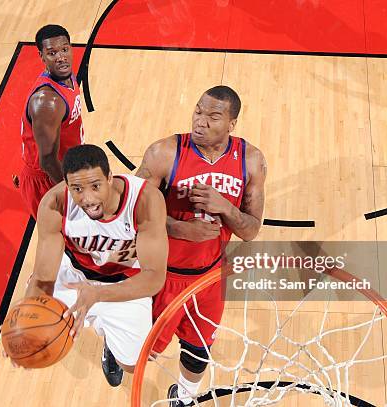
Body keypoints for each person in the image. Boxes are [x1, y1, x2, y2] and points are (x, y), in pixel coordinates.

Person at [136, 86, 267, 406]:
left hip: (209, 276)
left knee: (198, 351)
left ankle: (182, 396)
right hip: (162, 272)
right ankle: (116, 346)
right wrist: (180, 228)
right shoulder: (164, 153)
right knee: (142, 354)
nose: (200, 121)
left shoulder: (251, 161)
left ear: (231, 124)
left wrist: (225, 207)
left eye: (213, 116)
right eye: (198, 111)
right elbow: (130, 211)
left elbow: (250, 230)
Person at [24, 144, 168, 387]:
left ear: (110, 178)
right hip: (74, 275)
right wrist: (24, 328)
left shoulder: (145, 200)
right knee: (36, 333)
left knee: (133, 365)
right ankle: (99, 322)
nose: (87, 198)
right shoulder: (54, 204)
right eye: (77, 189)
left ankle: (110, 342)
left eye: (95, 186)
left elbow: (154, 277)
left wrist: (98, 295)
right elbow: (42, 277)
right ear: (67, 185)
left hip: (124, 283)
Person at [16, 24, 85, 218]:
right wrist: (74, 194)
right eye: (52, 53)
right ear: (42, 56)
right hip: (48, 179)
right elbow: (47, 162)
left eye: (64, 49)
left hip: (67, 166)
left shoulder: (66, 75)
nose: (61, 57)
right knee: (65, 242)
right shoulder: (47, 101)